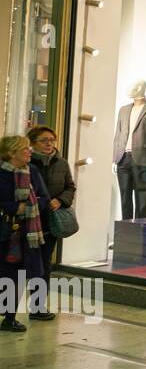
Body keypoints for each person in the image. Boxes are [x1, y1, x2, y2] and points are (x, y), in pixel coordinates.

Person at [0, 135, 52, 332]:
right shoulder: (2, 173)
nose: (29, 151)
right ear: (11, 153)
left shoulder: (32, 171)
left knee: (18, 275)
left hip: (27, 233)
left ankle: (10, 317)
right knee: (5, 274)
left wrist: (31, 205)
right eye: (24, 149)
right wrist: (14, 208)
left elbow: (44, 197)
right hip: (4, 231)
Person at [27, 126, 75, 319]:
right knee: (20, 264)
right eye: (44, 140)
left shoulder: (62, 163)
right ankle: (8, 307)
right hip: (28, 221)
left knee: (44, 265)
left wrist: (60, 200)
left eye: (52, 140)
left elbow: (70, 187)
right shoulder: (26, 163)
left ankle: (38, 307)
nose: (49, 144)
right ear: (32, 142)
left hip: (49, 222)